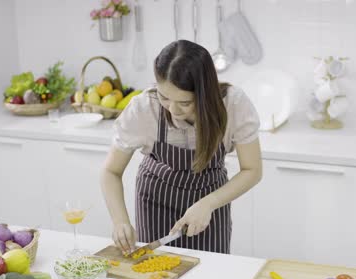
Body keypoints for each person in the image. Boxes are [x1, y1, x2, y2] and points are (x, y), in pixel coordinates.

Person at [101, 40, 262, 255]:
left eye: (185, 103)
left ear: (205, 94)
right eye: (164, 97)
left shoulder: (233, 105)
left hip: (210, 206)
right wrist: (120, 221)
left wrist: (209, 203)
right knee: (154, 276)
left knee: (210, 277)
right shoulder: (144, 107)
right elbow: (110, 171)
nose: (173, 109)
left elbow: (253, 170)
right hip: (155, 204)